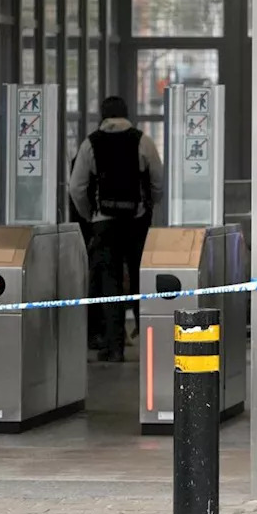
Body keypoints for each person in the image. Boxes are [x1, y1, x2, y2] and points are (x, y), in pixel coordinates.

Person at [68, 96, 163, 362]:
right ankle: (149, 344)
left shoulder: (91, 143)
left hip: (104, 223)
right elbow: (158, 179)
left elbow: (76, 187)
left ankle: (114, 346)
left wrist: (90, 214)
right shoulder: (142, 140)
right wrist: (149, 204)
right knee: (139, 279)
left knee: (109, 282)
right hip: (137, 220)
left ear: (102, 115)